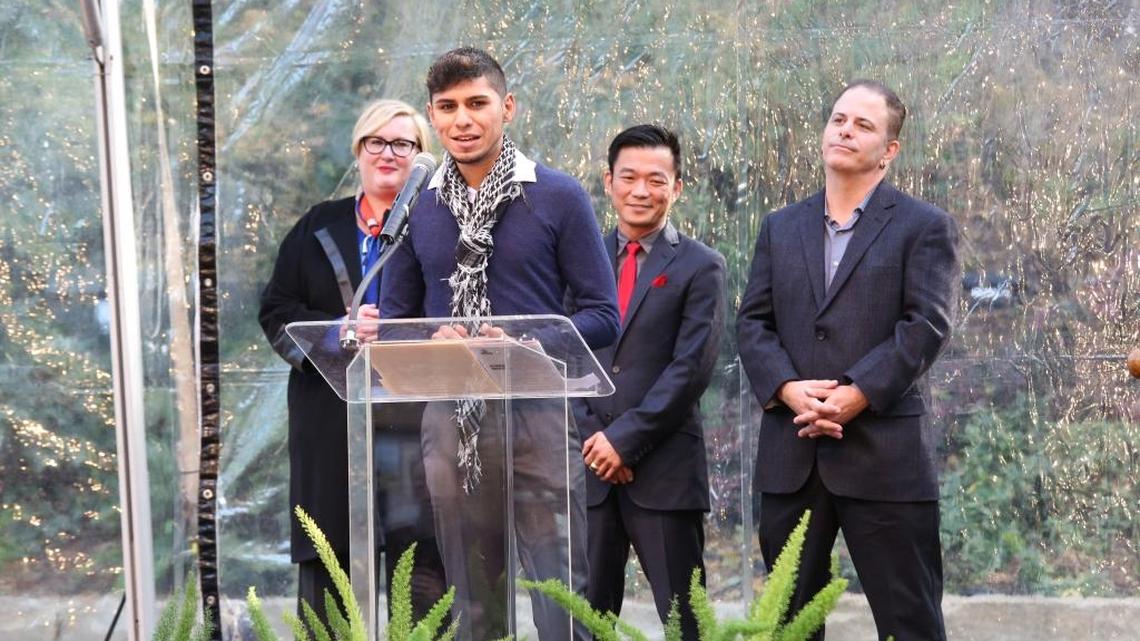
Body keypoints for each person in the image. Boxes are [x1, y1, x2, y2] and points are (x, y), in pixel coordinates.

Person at [379, 48, 619, 641]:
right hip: (451, 421)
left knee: (560, 596)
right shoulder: (418, 206)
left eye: (477, 103)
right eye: (448, 107)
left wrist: (518, 339)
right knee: (473, 601)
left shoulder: (558, 196)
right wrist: (433, 336)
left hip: (540, 417)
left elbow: (603, 315)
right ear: (433, 118)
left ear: (506, 108)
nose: (463, 120)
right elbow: (393, 323)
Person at [736, 80, 959, 641]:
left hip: (884, 456)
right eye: (838, 119)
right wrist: (789, 389)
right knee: (787, 625)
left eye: (863, 125)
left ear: (889, 150)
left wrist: (855, 393)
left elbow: (926, 325)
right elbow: (752, 323)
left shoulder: (923, 226)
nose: (845, 130)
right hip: (793, 452)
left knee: (909, 622)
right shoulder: (780, 226)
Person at [259, 99, 447, 628]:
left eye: (403, 144)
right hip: (332, 427)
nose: (389, 154)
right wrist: (339, 332)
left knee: (423, 572)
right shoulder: (317, 227)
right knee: (329, 569)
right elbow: (276, 311)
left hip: (416, 426)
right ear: (359, 151)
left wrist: (402, 328)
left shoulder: (442, 229)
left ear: (421, 159)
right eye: (376, 142)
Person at [573, 124, 725, 641]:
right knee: (585, 621)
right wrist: (596, 441)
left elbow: (691, 368)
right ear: (608, 181)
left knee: (686, 622)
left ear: (677, 187)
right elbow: (560, 355)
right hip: (588, 469)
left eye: (656, 180)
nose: (642, 190)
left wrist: (626, 440)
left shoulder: (702, 266)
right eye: (629, 177)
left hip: (664, 472)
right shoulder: (577, 260)